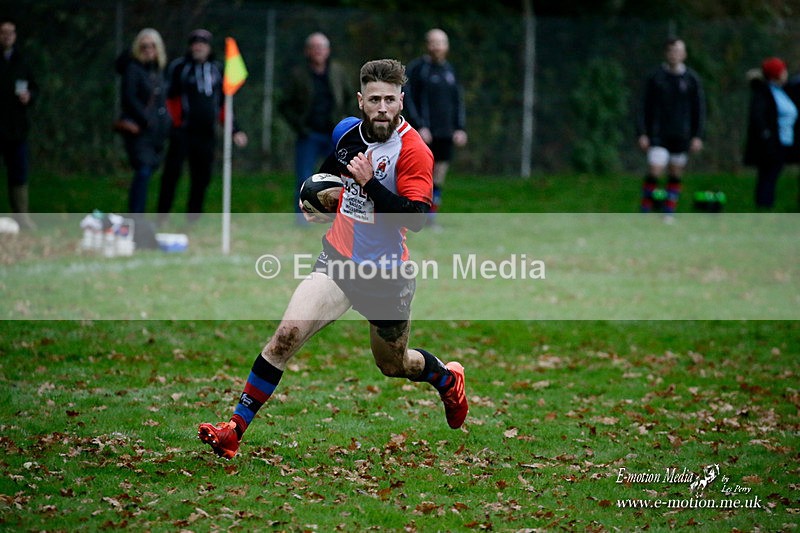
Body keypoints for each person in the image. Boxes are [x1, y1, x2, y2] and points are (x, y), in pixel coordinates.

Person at [198, 59, 469, 459]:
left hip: (387, 277)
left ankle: (446, 379)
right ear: (361, 100)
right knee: (285, 337)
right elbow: (330, 176)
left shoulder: (414, 152)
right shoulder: (347, 135)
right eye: (374, 99)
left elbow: (416, 220)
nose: (382, 107)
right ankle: (234, 430)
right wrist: (315, 200)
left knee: (393, 364)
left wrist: (370, 183)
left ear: (401, 101)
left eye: (390, 100)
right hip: (337, 263)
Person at [157, 29, 247, 225]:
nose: (198, 46)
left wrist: (234, 129)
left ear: (208, 47)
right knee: (171, 175)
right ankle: (161, 216)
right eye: (195, 42)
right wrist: (172, 124)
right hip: (182, 132)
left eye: (203, 43)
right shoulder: (179, 68)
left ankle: (193, 219)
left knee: (201, 177)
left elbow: (224, 104)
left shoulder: (217, 69)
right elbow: (168, 99)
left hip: (206, 133)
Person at [279, 32, 353, 221]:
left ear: (328, 51)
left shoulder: (338, 72)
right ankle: (302, 219)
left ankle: (337, 219)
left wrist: (344, 124)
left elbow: (349, 98)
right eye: (315, 47)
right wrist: (300, 127)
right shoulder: (297, 75)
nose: (319, 51)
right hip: (309, 135)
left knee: (339, 178)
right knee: (304, 178)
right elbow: (285, 105)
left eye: (322, 47)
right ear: (307, 51)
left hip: (334, 136)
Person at [403, 28, 467, 228]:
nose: (437, 46)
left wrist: (460, 128)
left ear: (447, 46)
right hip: (424, 134)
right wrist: (420, 126)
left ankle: (430, 218)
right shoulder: (417, 69)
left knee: (438, 177)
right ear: (427, 45)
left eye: (441, 42)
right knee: (420, 176)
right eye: (434, 42)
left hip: (446, 133)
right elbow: (408, 99)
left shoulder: (450, 70)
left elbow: (458, 101)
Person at [636, 38, 706, 220]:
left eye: (678, 51)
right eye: (671, 50)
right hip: (658, 134)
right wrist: (643, 132)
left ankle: (668, 211)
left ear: (684, 54)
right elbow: (644, 106)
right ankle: (645, 209)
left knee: (675, 172)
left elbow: (699, 109)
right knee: (655, 170)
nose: (674, 54)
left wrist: (697, 135)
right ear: (666, 53)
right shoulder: (656, 78)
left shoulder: (691, 79)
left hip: (681, 134)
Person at [115, 28, 170, 214]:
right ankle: (136, 215)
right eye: (144, 46)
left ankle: (139, 214)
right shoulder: (133, 69)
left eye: (152, 46)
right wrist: (147, 120)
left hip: (156, 132)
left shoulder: (158, 71)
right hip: (139, 130)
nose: (148, 49)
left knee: (148, 170)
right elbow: (129, 99)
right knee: (143, 170)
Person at [743, 57, 799, 209]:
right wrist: (767, 136)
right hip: (772, 144)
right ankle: (764, 208)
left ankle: (766, 206)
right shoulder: (765, 92)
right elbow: (759, 117)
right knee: (767, 177)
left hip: (785, 141)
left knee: (772, 176)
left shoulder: (784, 90)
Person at [0, 19, 37, 230]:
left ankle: (22, 217)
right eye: (3, 32)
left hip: (16, 128)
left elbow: (35, 88)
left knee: (19, 172)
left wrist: (29, 96)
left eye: (10, 33)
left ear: (15, 36)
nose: (6, 36)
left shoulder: (22, 61)